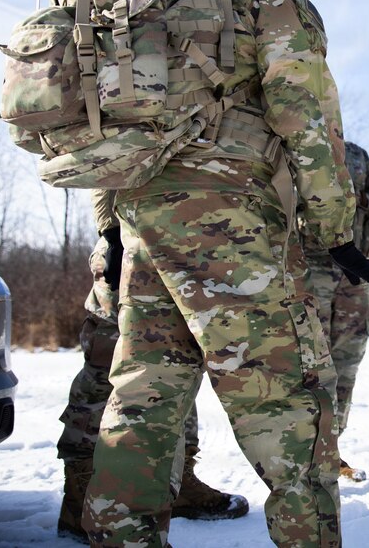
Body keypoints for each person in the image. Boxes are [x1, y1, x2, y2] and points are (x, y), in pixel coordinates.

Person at [82, 0, 369, 548]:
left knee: (144, 393)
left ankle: (122, 537)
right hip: (230, 222)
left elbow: (113, 128)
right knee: (291, 401)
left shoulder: (160, 5)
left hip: (145, 218)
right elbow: (308, 126)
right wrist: (334, 231)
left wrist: (112, 230)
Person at [55, 191, 248, 540]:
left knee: (178, 365)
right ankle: (81, 493)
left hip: (193, 243)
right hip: (134, 239)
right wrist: (111, 232)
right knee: (108, 364)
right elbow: (104, 165)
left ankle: (178, 481)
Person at [303, 141, 369, 482]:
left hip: (355, 271)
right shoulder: (297, 143)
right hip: (311, 267)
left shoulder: (358, 155)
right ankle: (307, 454)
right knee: (312, 361)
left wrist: (359, 198)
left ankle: (332, 451)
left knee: (347, 360)